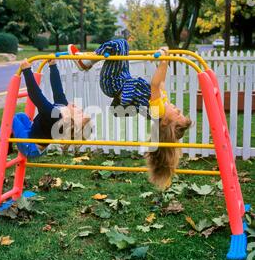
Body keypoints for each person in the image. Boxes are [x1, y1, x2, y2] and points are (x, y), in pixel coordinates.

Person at [68, 39, 192, 189]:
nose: (178, 110)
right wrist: (165, 57)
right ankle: (88, 59)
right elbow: (162, 83)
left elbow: (155, 84)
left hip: (114, 84)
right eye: (180, 112)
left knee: (120, 45)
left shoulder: (157, 111)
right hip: (123, 79)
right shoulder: (162, 103)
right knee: (122, 47)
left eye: (177, 115)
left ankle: (86, 61)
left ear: (165, 122)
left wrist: (164, 62)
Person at [0, 58, 91, 160]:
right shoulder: (62, 107)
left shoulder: (54, 117)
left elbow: (35, 95)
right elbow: (57, 89)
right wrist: (53, 66)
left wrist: (26, 70)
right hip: (33, 136)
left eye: (79, 114)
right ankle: (8, 146)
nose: (80, 109)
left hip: (30, 147)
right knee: (21, 116)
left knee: (10, 119)